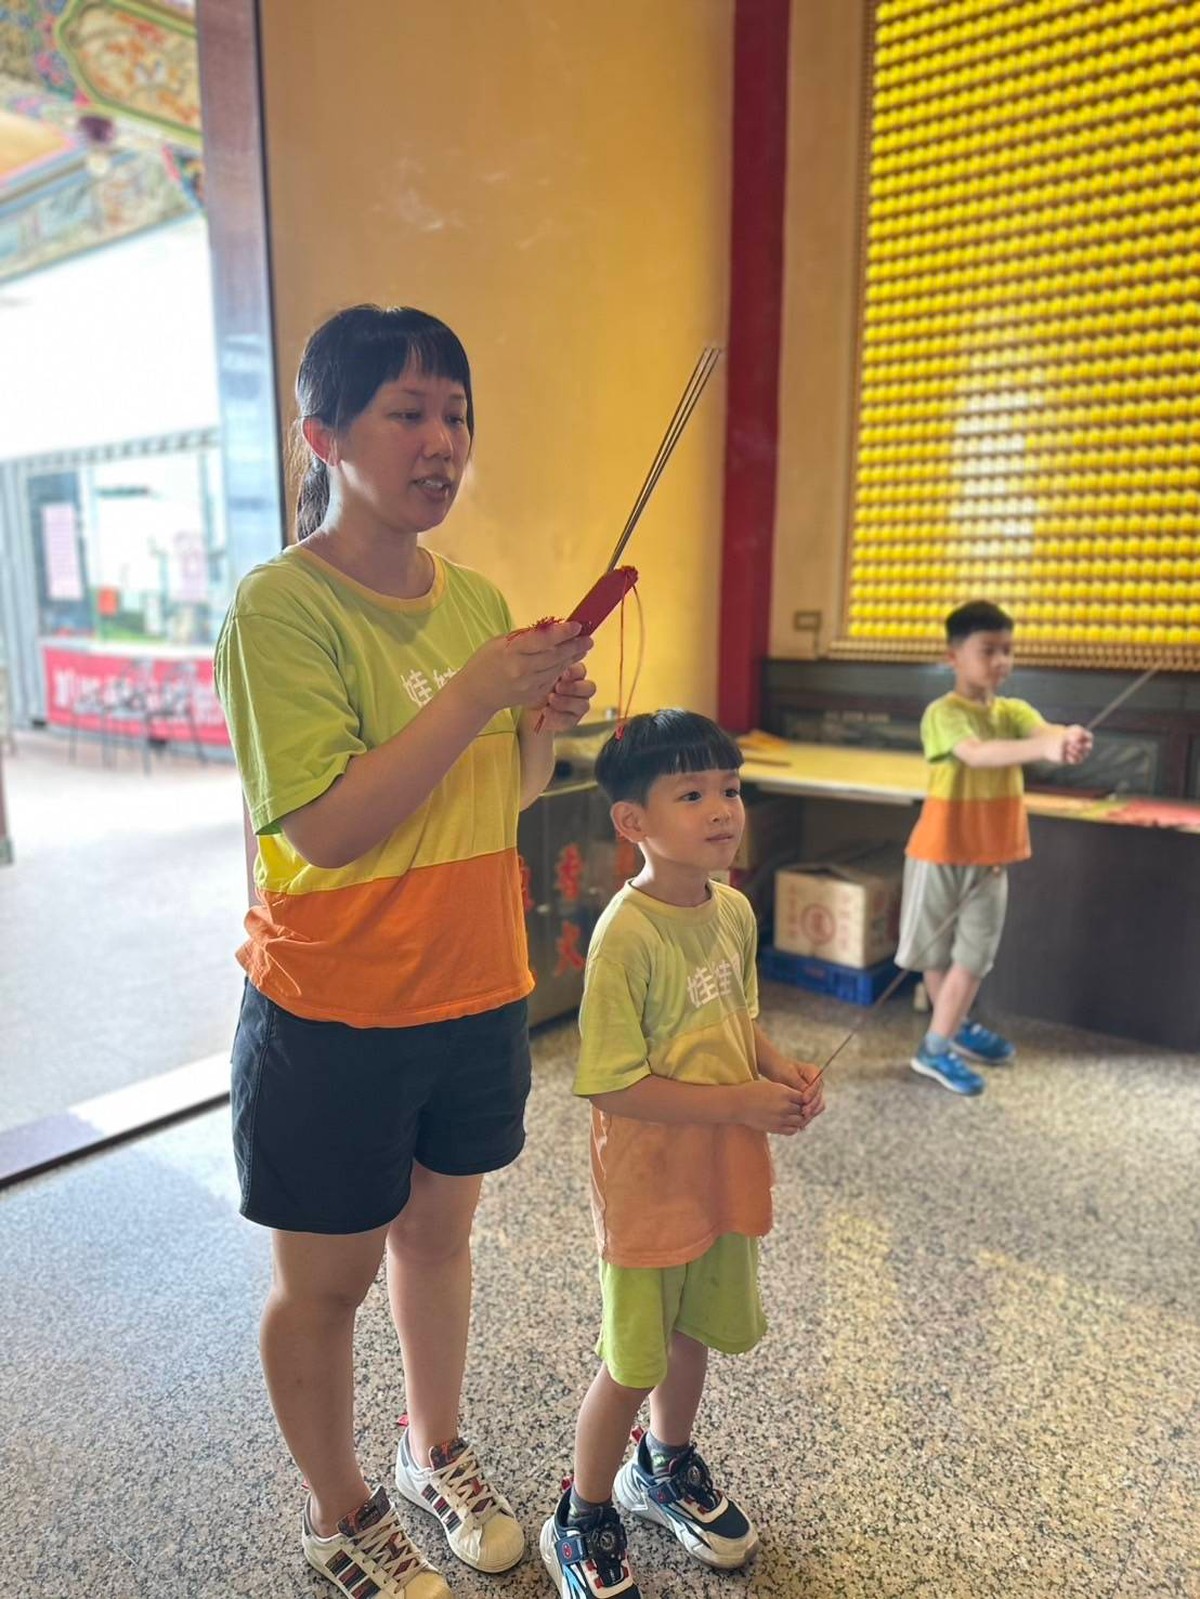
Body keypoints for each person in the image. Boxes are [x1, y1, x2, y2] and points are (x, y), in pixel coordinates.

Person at [215, 304, 596, 1599]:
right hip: (336, 1005)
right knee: (324, 1283)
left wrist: (538, 722)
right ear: (324, 436)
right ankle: (339, 1512)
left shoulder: (473, 600)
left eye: (458, 415)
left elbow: (504, 795)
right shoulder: (280, 607)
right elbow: (324, 827)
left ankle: (434, 1448)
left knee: (438, 1242)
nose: (444, 441)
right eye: (410, 413)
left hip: (474, 989)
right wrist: (478, 691)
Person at [539, 709, 825, 1599]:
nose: (722, 809)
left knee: (692, 1328)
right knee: (632, 1359)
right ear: (633, 821)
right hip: (649, 1184)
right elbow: (613, 1084)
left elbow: (738, 1018)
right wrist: (739, 1100)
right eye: (692, 793)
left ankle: (663, 1465)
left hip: (719, 1170)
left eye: (730, 788)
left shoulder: (732, 909)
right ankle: (582, 1512)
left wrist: (779, 1068)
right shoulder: (626, 934)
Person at [899, 599, 1092, 1096]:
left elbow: (1044, 732)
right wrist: (1044, 748)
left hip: (992, 858)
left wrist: (1065, 739)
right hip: (939, 852)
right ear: (953, 657)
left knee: (974, 956)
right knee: (936, 956)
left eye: (1008, 650)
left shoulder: (1014, 712)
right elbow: (977, 754)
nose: (1001, 661)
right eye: (989, 650)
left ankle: (942, 1038)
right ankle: (945, 1037)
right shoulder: (943, 713)